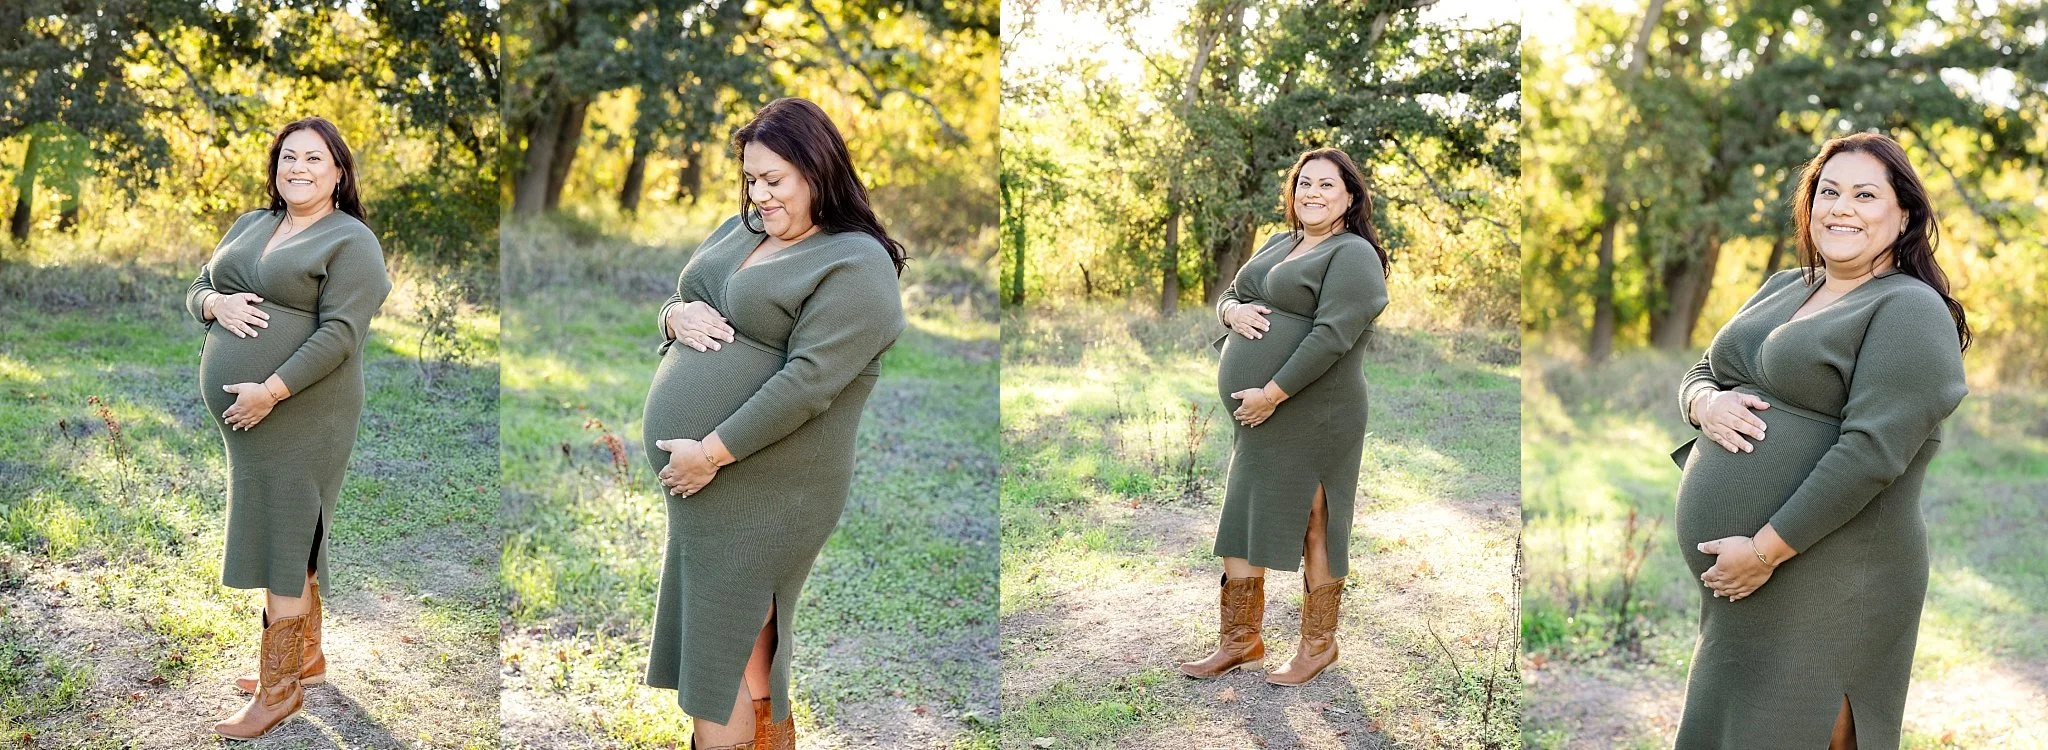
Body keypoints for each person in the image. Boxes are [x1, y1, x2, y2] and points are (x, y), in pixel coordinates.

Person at [1672, 132, 1970, 749]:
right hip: (1748, 576)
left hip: (1831, 573)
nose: (1841, 208)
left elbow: (1870, 455)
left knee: (1800, 733)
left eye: (1865, 194)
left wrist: (1762, 552)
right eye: (1827, 192)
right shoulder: (1788, 284)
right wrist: (1704, 403)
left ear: (1904, 213)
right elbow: (1704, 370)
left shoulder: (1908, 309)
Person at [639, 97, 909, 750]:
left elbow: (809, 384)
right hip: (711, 479)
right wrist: (672, 317)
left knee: (721, 652)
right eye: (750, 178)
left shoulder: (857, 263)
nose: (760, 194)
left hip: (770, 480)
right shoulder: (749, 228)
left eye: (774, 179)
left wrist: (709, 451)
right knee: (740, 645)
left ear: (818, 170)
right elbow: (690, 296)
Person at [185, 116, 391, 739]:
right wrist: (213, 304)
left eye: (314, 158)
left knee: (285, 532)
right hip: (253, 415)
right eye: (288, 157)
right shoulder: (253, 223)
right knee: (289, 530)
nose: (297, 168)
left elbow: (341, 336)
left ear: (338, 172)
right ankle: (304, 658)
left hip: (305, 407)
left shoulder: (352, 242)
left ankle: (278, 693)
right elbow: (199, 286)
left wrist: (271, 391)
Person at [1180, 147, 1390, 687]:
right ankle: (1241, 640)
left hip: (1318, 407)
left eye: (1326, 185)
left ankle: (1319, 645)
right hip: (1259, 413)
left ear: (1350, 196)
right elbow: (1231, 293)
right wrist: (1232, 311)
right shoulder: (1281, 243)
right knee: (1245, 509)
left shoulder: (1353, 255)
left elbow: (1331, 337)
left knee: (1316, 517)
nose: (1312, 194)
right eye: (1304, 184)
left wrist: (1272, 392)